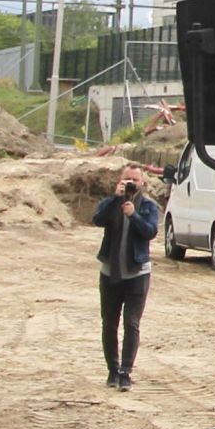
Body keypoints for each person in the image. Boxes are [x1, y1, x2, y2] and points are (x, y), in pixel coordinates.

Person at [93, 164, 159, 391]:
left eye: (135, 180)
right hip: (110, 272)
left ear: (142, 183)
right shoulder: (111, 203)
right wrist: (116, 199)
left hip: (137, 274)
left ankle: (125, 371)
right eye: (127, 179)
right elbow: (98, 220)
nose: (131, 183)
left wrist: (134, 215)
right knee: (109, 323)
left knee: (131, 323)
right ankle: (112, 370)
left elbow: (150, 231)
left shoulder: (148, 206)